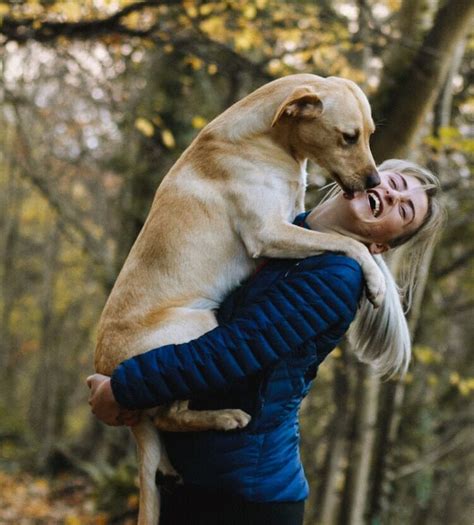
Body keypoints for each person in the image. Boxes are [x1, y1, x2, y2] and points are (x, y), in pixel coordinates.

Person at [87, 159, 444, 525]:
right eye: (395, 182)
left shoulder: (338, 276)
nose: (391, 193)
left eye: (404, 209)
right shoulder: (283, 232)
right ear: (370, 173)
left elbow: (233, 351)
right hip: (192, 477)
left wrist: (126, 388)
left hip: (246, 499)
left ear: (381, 245)